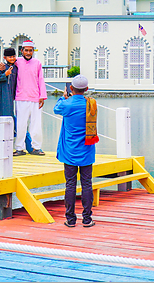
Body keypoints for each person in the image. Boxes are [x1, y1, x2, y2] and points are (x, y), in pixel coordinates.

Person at [55, 75, 97, 227]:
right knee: (87, 184)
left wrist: (63, 97)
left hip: (69, 151)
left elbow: (56, 108)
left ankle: (70, 219)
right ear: (86, 89)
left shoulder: (66, 104)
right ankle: (87, 219)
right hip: (86, 150)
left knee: (70, 184)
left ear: (71, 88)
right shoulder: (90, 103)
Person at [0, 48, 33, 153]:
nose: (12, 58)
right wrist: (5, 74)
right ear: (5, 58)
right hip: (2, 94)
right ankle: (2, 147)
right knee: (2, 115)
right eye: (10, 57)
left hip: (11, 95)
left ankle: (12, 146)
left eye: (13, 56)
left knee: (11, 117)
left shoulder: (16, 67)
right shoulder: (2, 67)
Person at [13, 40, 46, 156]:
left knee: (36, 125)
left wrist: (42, 96)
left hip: (35, 98)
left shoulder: (37, 63)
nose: (28, 52)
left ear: (33, 51)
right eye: (26, 50)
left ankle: (36, 147)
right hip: (21, 98)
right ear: (22, 51)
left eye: (30, 50)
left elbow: (40, 79)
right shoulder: (17, 62)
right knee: (21, 125)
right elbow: (5, 66)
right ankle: (19, 148)